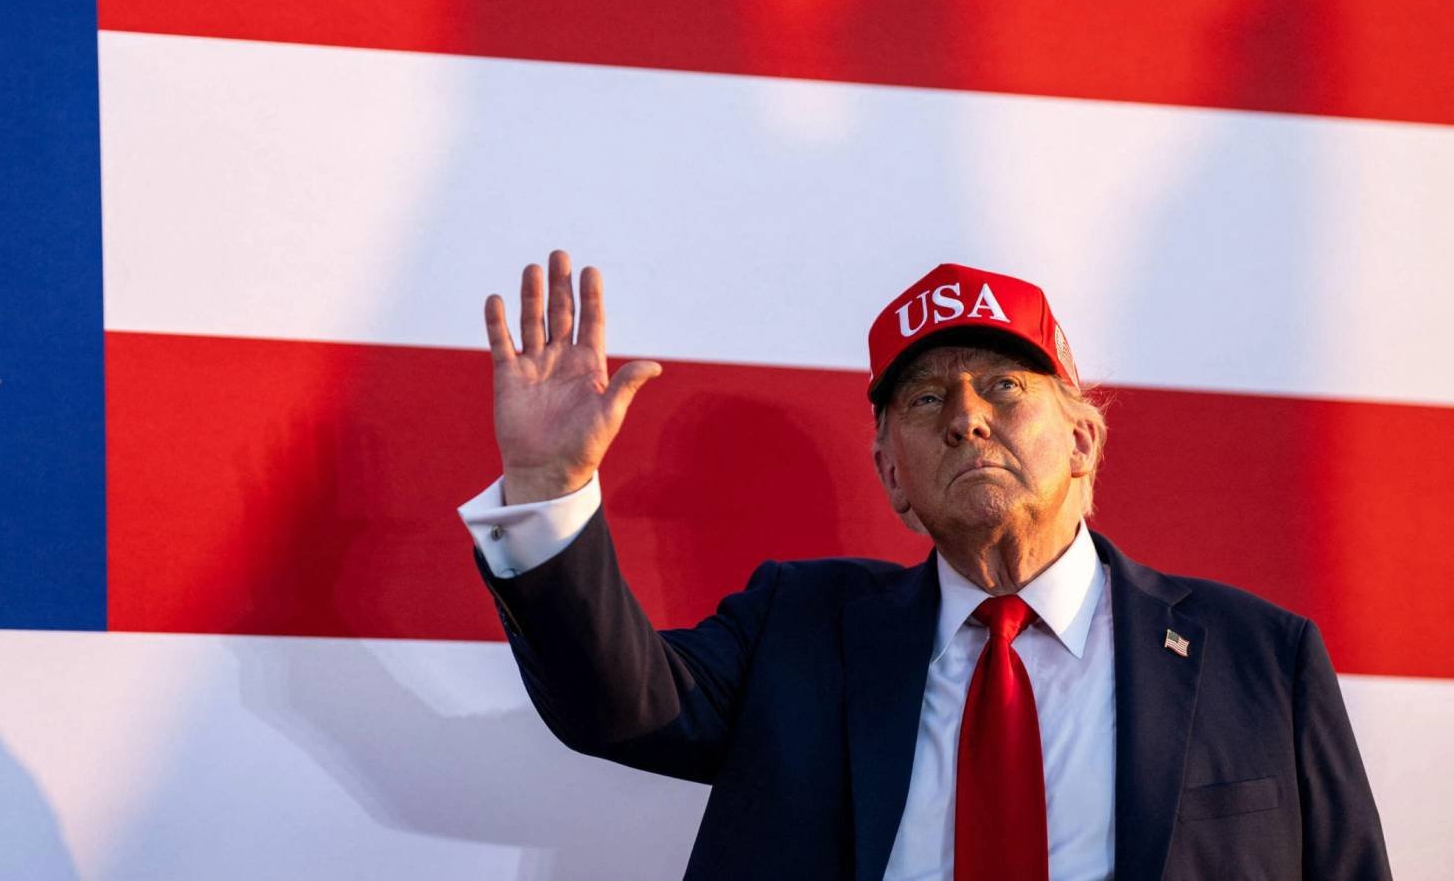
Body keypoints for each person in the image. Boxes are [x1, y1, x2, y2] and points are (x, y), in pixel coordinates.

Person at [458, 251, 1390, 880]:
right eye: (929, 397)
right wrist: (547, 486)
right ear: (892, 476)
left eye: (1004, 385)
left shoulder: (1262, 659)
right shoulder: (800, 628)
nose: (967, 416)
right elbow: (619, 706)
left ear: (1082, 438)